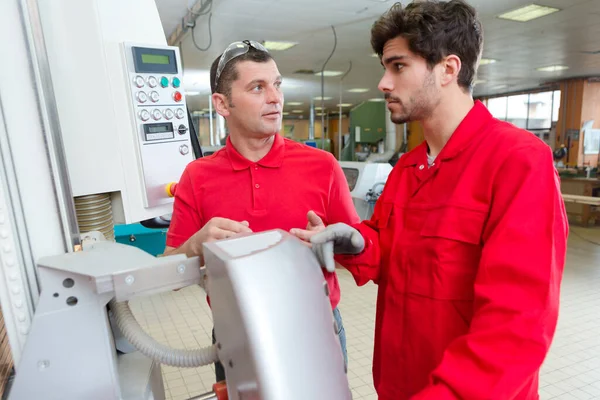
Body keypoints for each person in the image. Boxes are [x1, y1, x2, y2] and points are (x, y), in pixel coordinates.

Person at [300, 1, 569, 399]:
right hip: (399, 385)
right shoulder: (408, 168)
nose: (384, 83)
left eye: (398, 66)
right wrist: (358, 243)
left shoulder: (516, 161)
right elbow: (398, 254)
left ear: (448, 69)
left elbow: (517, 326)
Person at [163, 40, 359, 382]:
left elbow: (359, 248)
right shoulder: (197, 177)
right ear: (222, 104)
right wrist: (194, 246)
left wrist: (332, 242)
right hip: (237, 339)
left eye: (277, 85)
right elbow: (168, 274)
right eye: (258, 88)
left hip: (315, 328)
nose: (275, 98)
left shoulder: (322, 166)